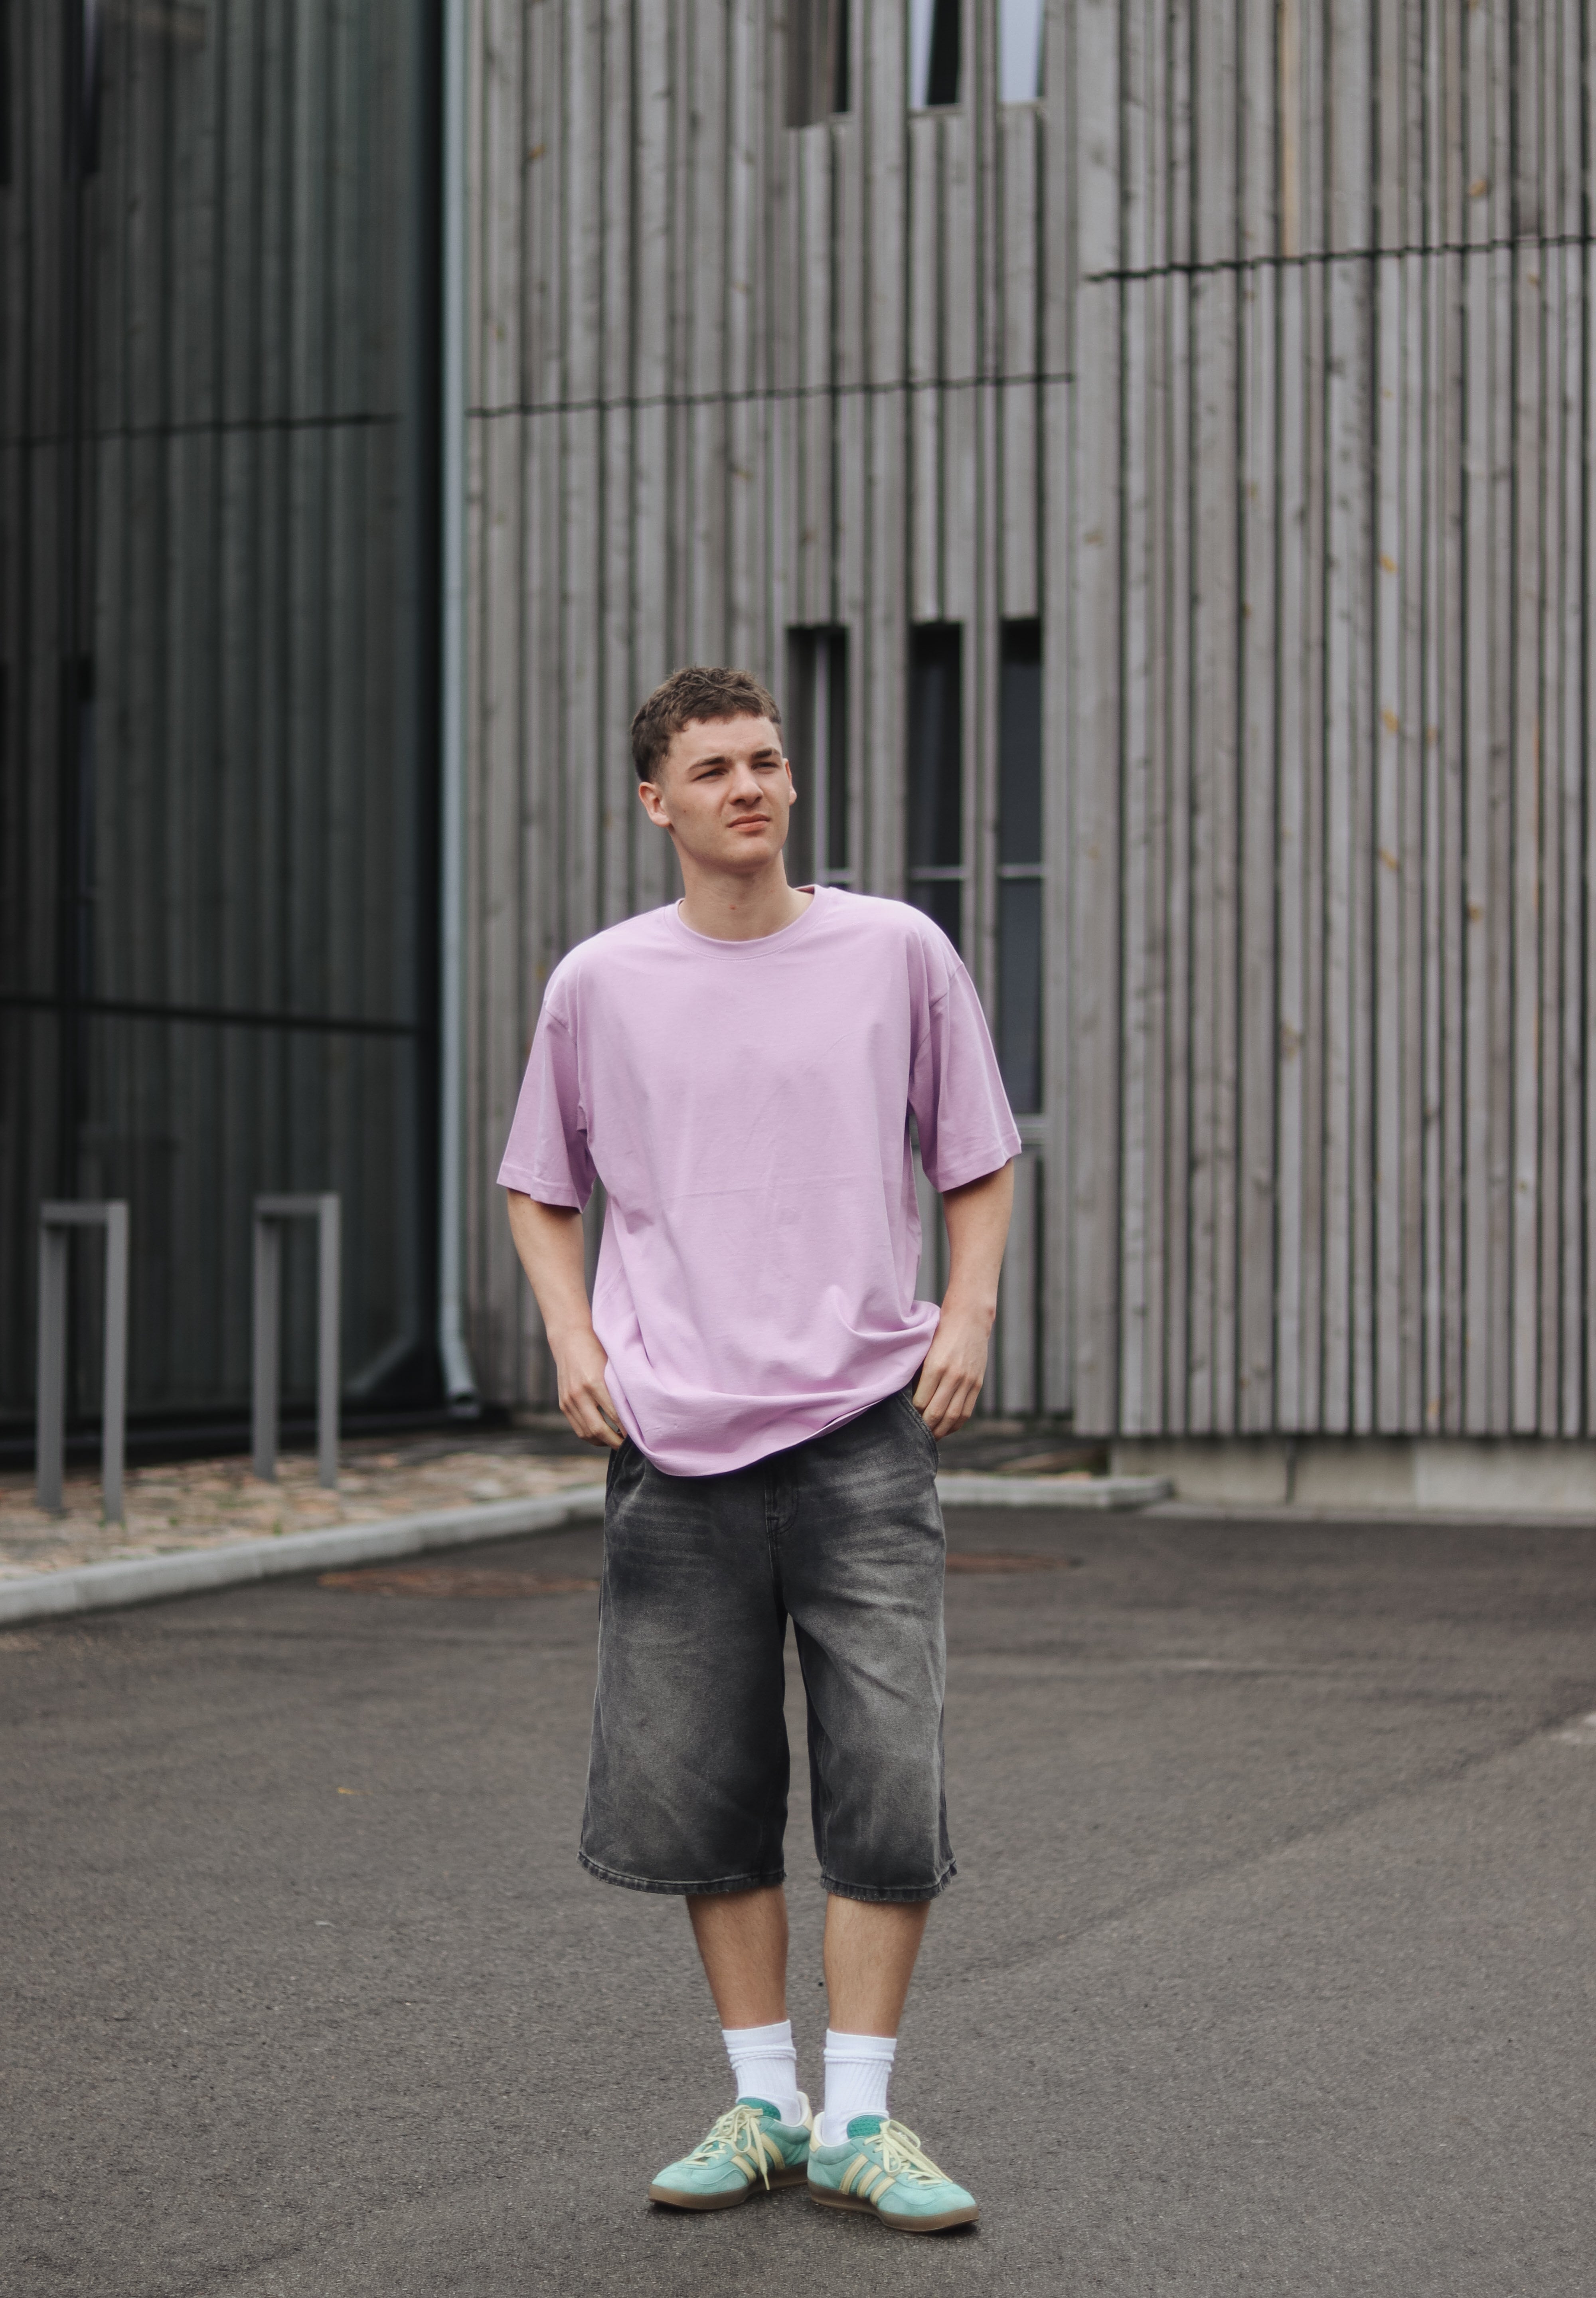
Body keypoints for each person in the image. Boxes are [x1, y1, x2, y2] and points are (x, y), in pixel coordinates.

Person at [499, 665, 1018, 2235]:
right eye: (716, 768)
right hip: (676, 1445)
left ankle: (859, 2118)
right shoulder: (600, 983)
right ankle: (764, 2103)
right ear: (654, 802)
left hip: (864, 1429)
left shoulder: (895, 951)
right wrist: (574, 1340)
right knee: (703, 1786)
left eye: (768, 761)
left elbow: (977, 1154)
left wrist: (968, 1314)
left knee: (887, 1778)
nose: (751, 787)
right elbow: (540, 1184)